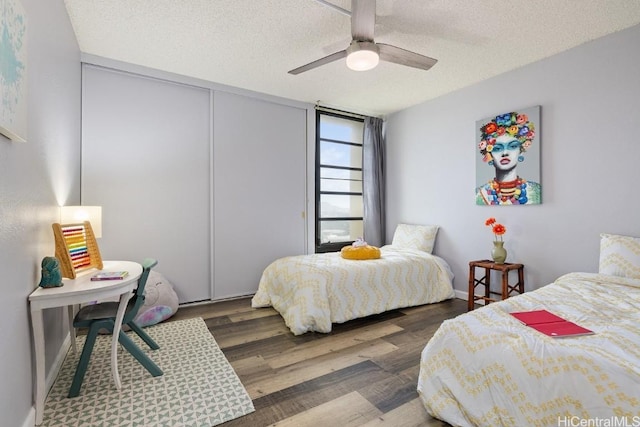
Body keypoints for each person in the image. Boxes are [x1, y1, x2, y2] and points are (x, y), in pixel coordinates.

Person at [475, 111, 541, 205]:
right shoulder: (479, 194)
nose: (505, 153)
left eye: (512, 146)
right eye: (497, 148)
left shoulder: (536, 191)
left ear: (520, 151)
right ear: (489, 154)